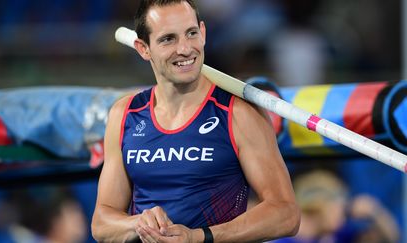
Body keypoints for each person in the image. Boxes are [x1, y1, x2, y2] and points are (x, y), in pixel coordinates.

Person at [91, 0, 300, 242]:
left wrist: (200, 237)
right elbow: (101, 223)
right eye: (168, 39)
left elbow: (286, 213)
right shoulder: (126, 114)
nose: (185, 49)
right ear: (143, 48)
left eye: (191, 34)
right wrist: (137, 223)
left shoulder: (238, 113)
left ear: (203, 33)